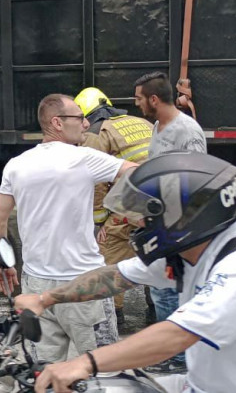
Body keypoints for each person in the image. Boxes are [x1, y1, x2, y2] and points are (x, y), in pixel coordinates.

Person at [17, 152, 236, 393]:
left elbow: (177, 336)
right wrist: (44, 299)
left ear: (188, 217)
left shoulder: (234, 269)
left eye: (151, 215)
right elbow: (116, 276)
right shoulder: (192, 250)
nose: (140, 222)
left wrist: (85, 362)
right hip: (198, 384)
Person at [0, 94, 137, 364]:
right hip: (84, 287)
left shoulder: (16, 165)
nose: (85, 125)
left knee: (43, 374)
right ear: (57, 122)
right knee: (101, 370)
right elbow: (137, 173)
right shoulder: (84, 158)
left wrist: (4, 265)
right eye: (80, 118)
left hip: (35, 286)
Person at [134, 71, 207, 374]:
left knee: (172, 290)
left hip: (180, 225)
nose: (135, 104)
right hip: (159, 222)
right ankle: (175, 355)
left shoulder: (187, 131)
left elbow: (197, 182)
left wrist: (181, 234)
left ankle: (179, 359)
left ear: (153, 99)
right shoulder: (156, 127)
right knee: (160, 289)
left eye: (138, 98)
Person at [74, 87, 153, 327]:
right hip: (161, 198)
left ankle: (113, 317)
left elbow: (97, 184)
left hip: (133, 200)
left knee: (109, 250)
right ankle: (156, 309)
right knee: (155, 251)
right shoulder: (140, 121)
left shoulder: (96, 134)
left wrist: (99, 222)